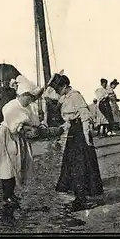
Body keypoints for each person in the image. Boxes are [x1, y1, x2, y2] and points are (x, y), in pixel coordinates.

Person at [45, 73, 104, 212]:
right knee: (72, 164)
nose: (58, 92)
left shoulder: (75, 95)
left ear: (64, 86)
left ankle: (82, 198)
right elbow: (69, 119)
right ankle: (79, 196)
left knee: (81, 165)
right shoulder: (65, 97)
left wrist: (86, 134)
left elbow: (84, 113)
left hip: (80, 133)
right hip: (73, 131)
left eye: (59, 89)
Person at [0, 79, 43, 213]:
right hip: (6, 136)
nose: (30, 100)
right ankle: (6, 196)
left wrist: (33, 128)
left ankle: (11, 194)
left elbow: (31, 121)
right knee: (6, 166)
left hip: (17, 137)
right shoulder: (11, 106)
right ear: (22, 95)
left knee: (15, 165)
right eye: (28, 97)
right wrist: (24, 127)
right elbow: (14, 124)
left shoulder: (28, 107)